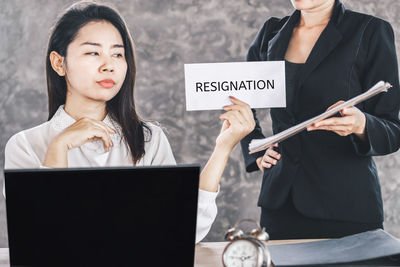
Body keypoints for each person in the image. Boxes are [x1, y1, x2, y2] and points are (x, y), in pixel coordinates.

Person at [4, 2, 256, 243]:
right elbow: (41, 236)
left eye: (117, 54)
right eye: (93, 52)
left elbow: (183, 228)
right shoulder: (25, 145)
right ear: (59, 63)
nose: (109, 65)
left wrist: (223, 148)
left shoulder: (148, 139)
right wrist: (60, 147)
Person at [240, 0, 400, 239]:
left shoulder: (369, 30)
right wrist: (257, 148)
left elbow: (393, 129)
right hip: (281, 204)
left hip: (346, 204)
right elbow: (241, 99)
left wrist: (361, 124)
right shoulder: (270, 32)